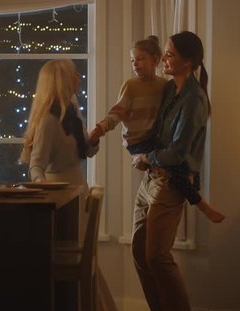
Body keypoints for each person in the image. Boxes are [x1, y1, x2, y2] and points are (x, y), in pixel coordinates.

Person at [127, 31, 213, 311]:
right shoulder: (169, 91)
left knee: (157, 255)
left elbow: (177, 151)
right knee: (138, 249)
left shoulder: (193, 100)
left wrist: (145, 156)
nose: (164, 60)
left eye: (170, 55)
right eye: (163, 54)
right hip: (150, 179)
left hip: (172, 182)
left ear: (187, 62)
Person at [19, 59, 118, 311]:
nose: (79, 77)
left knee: (82, 252)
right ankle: (72, 310)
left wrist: (94, 138)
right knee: (78, 253)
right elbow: (36, 164)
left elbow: (84, 150)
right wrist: (45, 193)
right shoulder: (49, 120)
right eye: (74, 74)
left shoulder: (72, 111)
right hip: (61, 195)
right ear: (64, 80)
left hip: (77, 189)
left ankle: (76, 310)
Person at [88, 36, 225, 223]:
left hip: (155, 148)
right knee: (174, 170)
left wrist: (149, 158)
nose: (135, 64)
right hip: (139, 144)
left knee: (175, 169)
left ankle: (199, 197)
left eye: (140, 59)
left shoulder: (172, 89)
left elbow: (177, 148)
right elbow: (117, 112)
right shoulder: (140, 86)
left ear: (154, 59)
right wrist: (102, 127)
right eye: (132, 60)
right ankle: (199, 199)